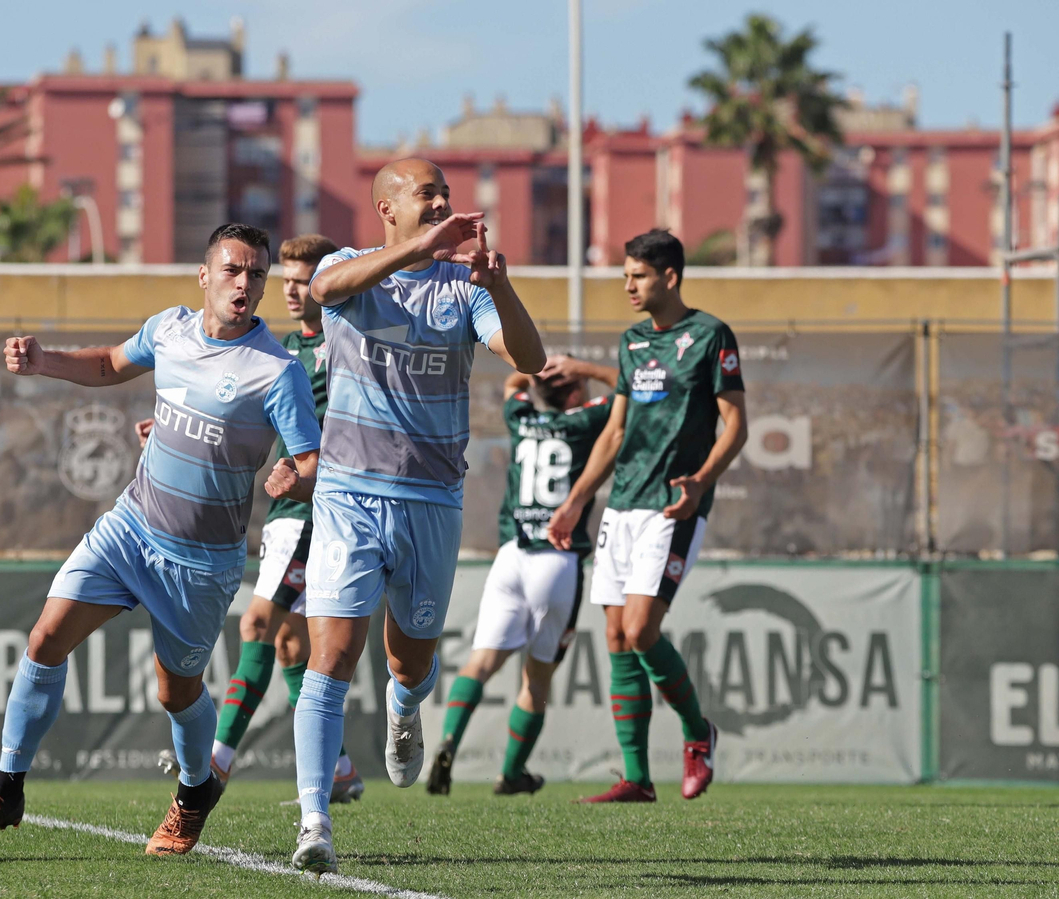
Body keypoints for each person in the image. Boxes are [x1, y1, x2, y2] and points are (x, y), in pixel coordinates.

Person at [0, 223, 322, 856]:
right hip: (131, 526)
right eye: (232, 270)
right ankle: (5, 789)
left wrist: (291, 475)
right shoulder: (169, 328)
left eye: (256, 274)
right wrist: (44, 361)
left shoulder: (276, 371)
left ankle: (194, 794)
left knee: (177, 691)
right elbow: (114, 363)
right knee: (46, 636)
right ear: (204, 275)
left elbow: (310, 461)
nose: (244, 284)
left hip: (201, 562)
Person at [291, 158, 545, 875]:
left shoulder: (463, 284)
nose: (441, 201)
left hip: (432, 500)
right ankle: (315, 821)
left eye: (446, 193)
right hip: (347, 496)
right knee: (332, 656)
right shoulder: (349, 265)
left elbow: (529, 356)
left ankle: (405, 707)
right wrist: (422, 248)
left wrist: (496, 282)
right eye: (426, 193)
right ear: (387, 208)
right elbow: (323, 290)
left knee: (412, 660)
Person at [150, 234, 366, 804]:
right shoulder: (282, 349)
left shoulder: (346, 347)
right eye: (288, 279)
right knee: (291, 645)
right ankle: (339, 769)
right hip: (283, 507)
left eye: (304, 279)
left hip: (315, 510)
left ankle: (217, 763)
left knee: (257, 626)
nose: (294, 290)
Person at [546, 229, 748, 804]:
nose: (629, 286)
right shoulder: (632, 341)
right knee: (614, 636)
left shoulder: (711, 335)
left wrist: (702, 482)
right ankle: (636, 776)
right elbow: (615, 431)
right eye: (626, 276)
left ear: (670, 277)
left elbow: (736, 424)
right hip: (624, 504)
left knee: (640, 629)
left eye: (637, 276)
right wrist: (578, 498)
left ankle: (697, 732)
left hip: (673, 503)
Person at [426, 354, 616, 797]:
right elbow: (628, 388)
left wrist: (540, 365)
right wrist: (582, 368)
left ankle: (450, 740)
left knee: (481, 663)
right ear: (573, 391)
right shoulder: (584, 422)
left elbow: (515, 382)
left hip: (511, 556)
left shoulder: (523, 417)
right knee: (537, 678)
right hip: (557, 558)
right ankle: (511, 772)